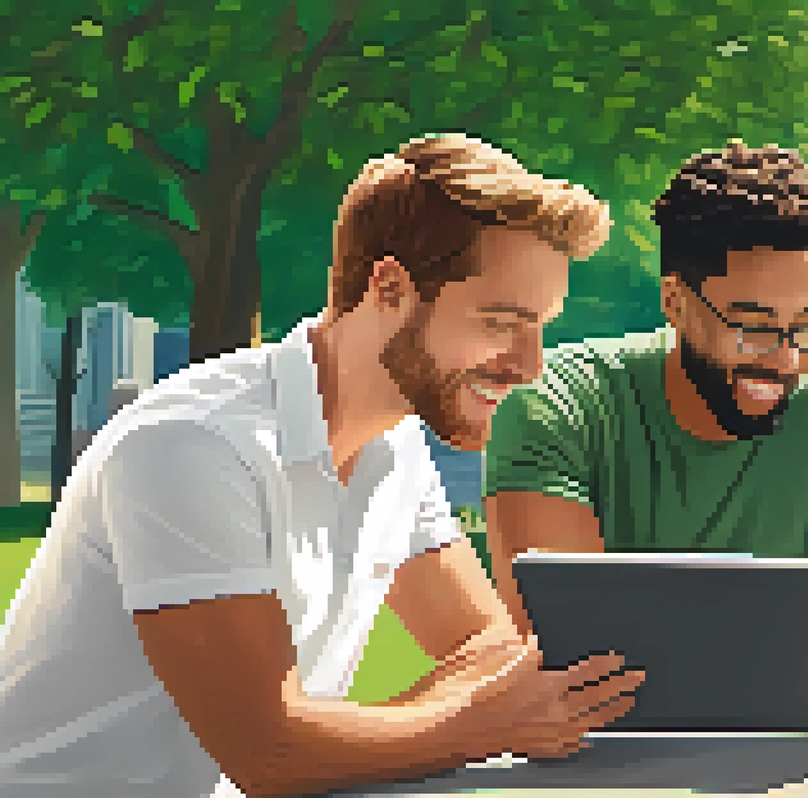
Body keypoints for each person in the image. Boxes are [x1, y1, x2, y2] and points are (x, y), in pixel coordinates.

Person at [0, 134, 645, 797]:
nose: (529, 364)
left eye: (541, 326)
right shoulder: (193, 448)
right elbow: (270, 757)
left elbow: (484, 652)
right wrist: (474, 725)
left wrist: (344, 740)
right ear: (389, 289)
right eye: (501, 322)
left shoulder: (394, 451)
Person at [482, 141, 808, 638]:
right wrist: (802, 627)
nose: (787, 359)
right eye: (755, 327)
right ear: (675, 302)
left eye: (807, 327)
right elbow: (566, 630)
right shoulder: (557, 404)